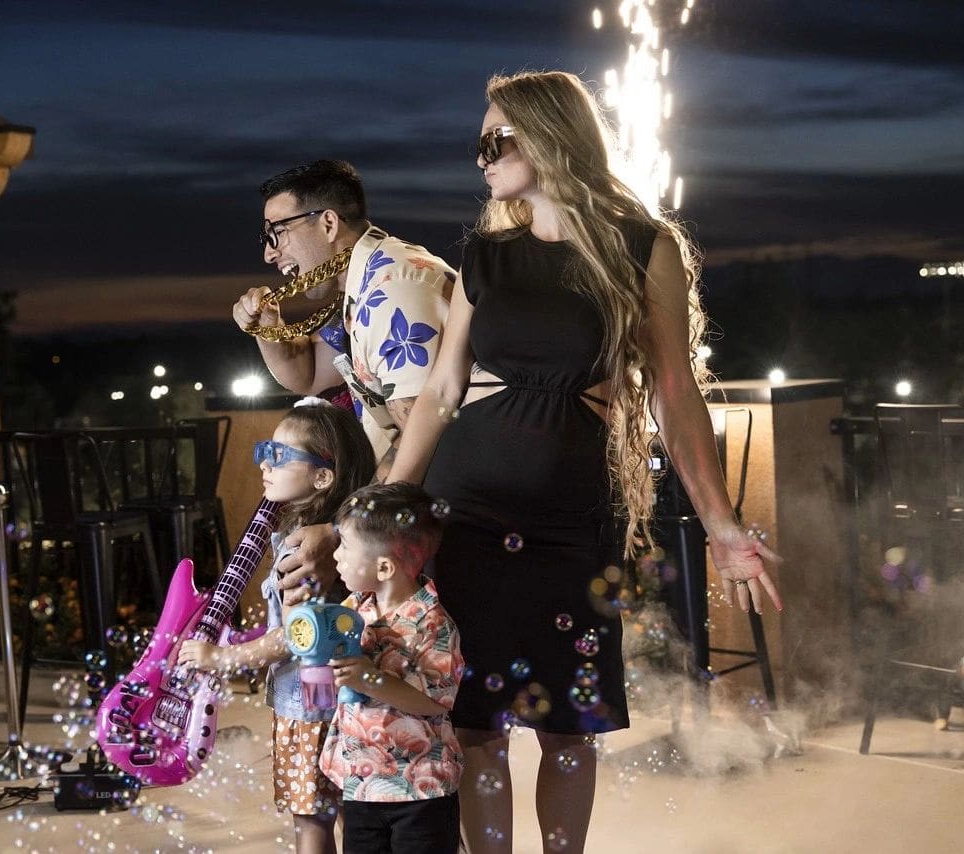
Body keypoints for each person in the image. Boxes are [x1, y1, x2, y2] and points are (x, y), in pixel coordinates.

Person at [387, 71, 783, 853]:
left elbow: (674, 392)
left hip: (572, 517)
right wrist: (386, 500)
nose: (481, 158)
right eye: (478, 144)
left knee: (571, 725)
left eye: (495, 140)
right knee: (475, 724)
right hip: (464, 508)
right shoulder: (485, 255)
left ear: (548, 135)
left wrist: (721, 524)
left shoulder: (643, 247)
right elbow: (441, 389)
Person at [232, 160, 455, 607]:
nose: (269, 253)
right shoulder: (360, 283)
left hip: (441, 511)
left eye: (275, 233)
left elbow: (425, 431)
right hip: (408, 508)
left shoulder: (392, 288)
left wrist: (342, 532)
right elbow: (310, 376)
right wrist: (267, 328)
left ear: (328, 223)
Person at [177, 398, 376, 854]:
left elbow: (295, 637)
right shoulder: (334, 541)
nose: (266, 462)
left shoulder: (299, 550)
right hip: (336, 698)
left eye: (281, 455)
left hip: (308, 706)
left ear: (322, 477)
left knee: (311, 821)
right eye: (265, 449)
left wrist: (222, 658)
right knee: (355, 815)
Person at [319, 482, 464, 854]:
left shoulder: (434, 625)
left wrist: (368, 677)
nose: (336, 556)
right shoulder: (354, 608)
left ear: (384, 566)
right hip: (361, 784)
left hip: (418, 789)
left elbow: (433, 701)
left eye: (345, 547)